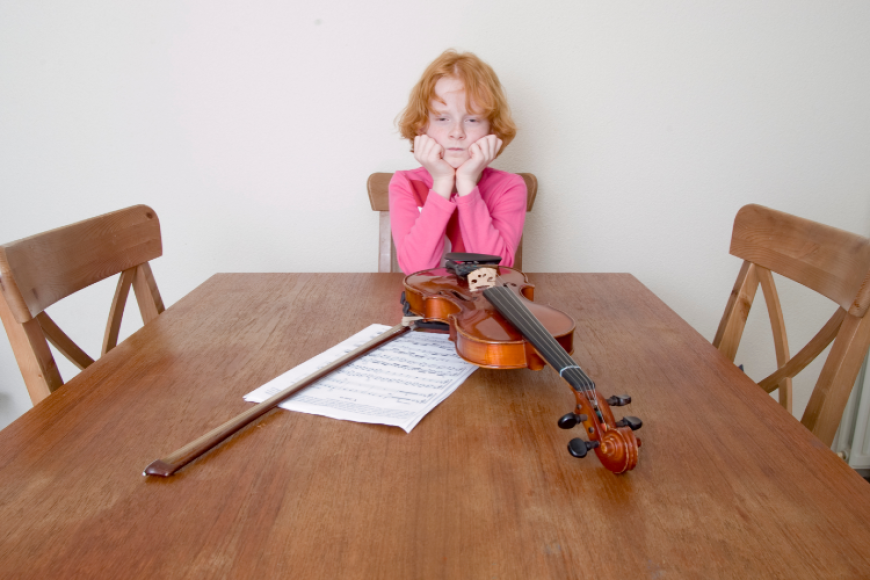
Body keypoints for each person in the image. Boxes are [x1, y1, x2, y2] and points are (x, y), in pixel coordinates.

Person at [390, 49, 527, 274]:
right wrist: (442, 181)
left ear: (492, 129)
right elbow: (417, 271)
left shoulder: (509, 187)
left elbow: (495, 271)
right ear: (421, 127)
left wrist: (466, 183)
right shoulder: (405, 183)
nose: (457, 132)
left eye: (472, 120)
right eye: (443, 118)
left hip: (483, 297)